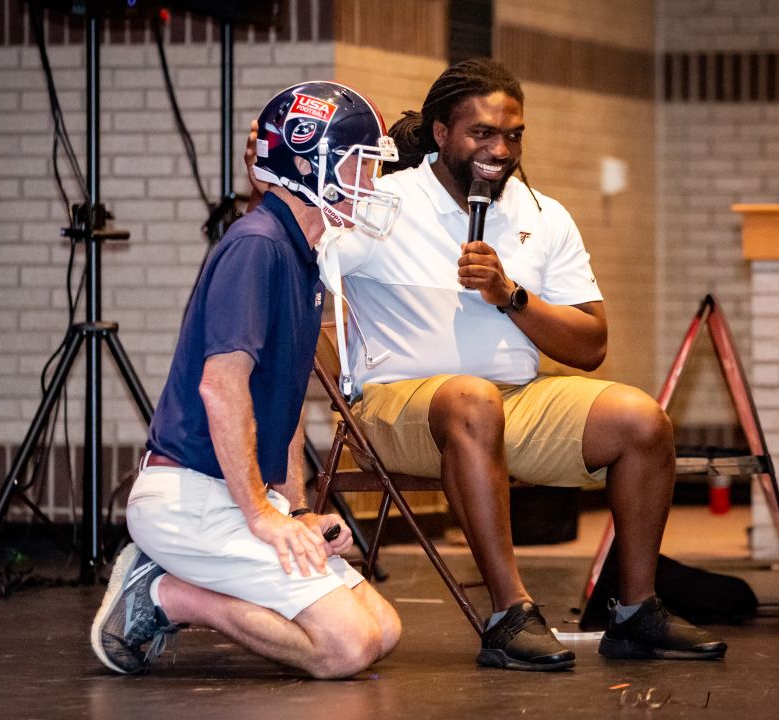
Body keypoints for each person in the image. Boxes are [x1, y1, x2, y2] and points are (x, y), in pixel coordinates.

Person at [246, 59, 728, 671]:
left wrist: (511, 297)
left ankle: (635, 612)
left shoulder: (542, 214)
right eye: (482, 134)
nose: (499, 150)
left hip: (516, 400)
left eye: (513, 135)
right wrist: (265, 178)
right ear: (442, 133)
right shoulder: (377, 204)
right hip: (396, 405)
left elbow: (590, 345)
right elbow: (287, 256)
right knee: (472, 399)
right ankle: (509, 614)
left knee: (644, 421)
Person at [91, 81, 403, 680]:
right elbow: (221, 389)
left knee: (384, 629)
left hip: (232, 496)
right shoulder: (256, 246)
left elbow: (277, 404)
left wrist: (296, 507)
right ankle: (162, 594)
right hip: (191, 500)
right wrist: (262, 514)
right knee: (347, 647)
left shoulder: (302, 253)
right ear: (310, 165)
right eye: (360, 165)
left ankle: (175, 581)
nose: (369, 183)